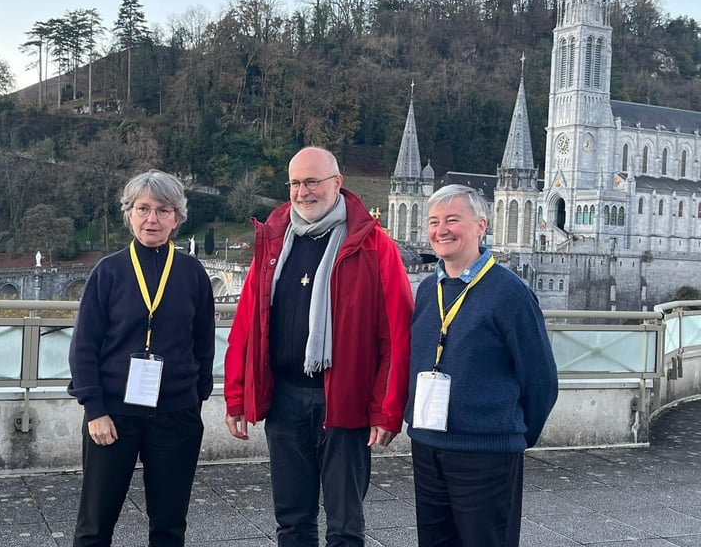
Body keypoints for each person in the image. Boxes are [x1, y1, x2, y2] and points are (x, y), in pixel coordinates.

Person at [224, 146, 414, 546]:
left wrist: (386, 409)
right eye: (295, 183)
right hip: (286, 400)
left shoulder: (374, 245)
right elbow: (248, 325)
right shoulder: (274, 241)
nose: (302, 191)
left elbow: (396, 335)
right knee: (292, 522)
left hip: (346, 402)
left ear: (337, 184)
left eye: (312, 181)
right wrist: (237, 395)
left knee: (345, 525)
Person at [405, 184, 558, 547]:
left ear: (481, 226)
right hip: (428, 445)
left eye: (453, 220)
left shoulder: (510, 293)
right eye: (434, 221)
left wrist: (509, 433)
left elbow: (541, 381)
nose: (441, 230)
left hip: (485, 453)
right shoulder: (428, 289)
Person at [68, 169, 215, 547]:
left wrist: (193, 400)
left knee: (169, 525)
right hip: (113, 415)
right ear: (129, 213)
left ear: (177, 218)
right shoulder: (109, 271)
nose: (152, 219)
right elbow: (84, 346)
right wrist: (95, 409)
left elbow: (203, 342)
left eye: (163, 210)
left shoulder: (192, 273)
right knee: (95, 524)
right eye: (143, 208)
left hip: (175, 416)